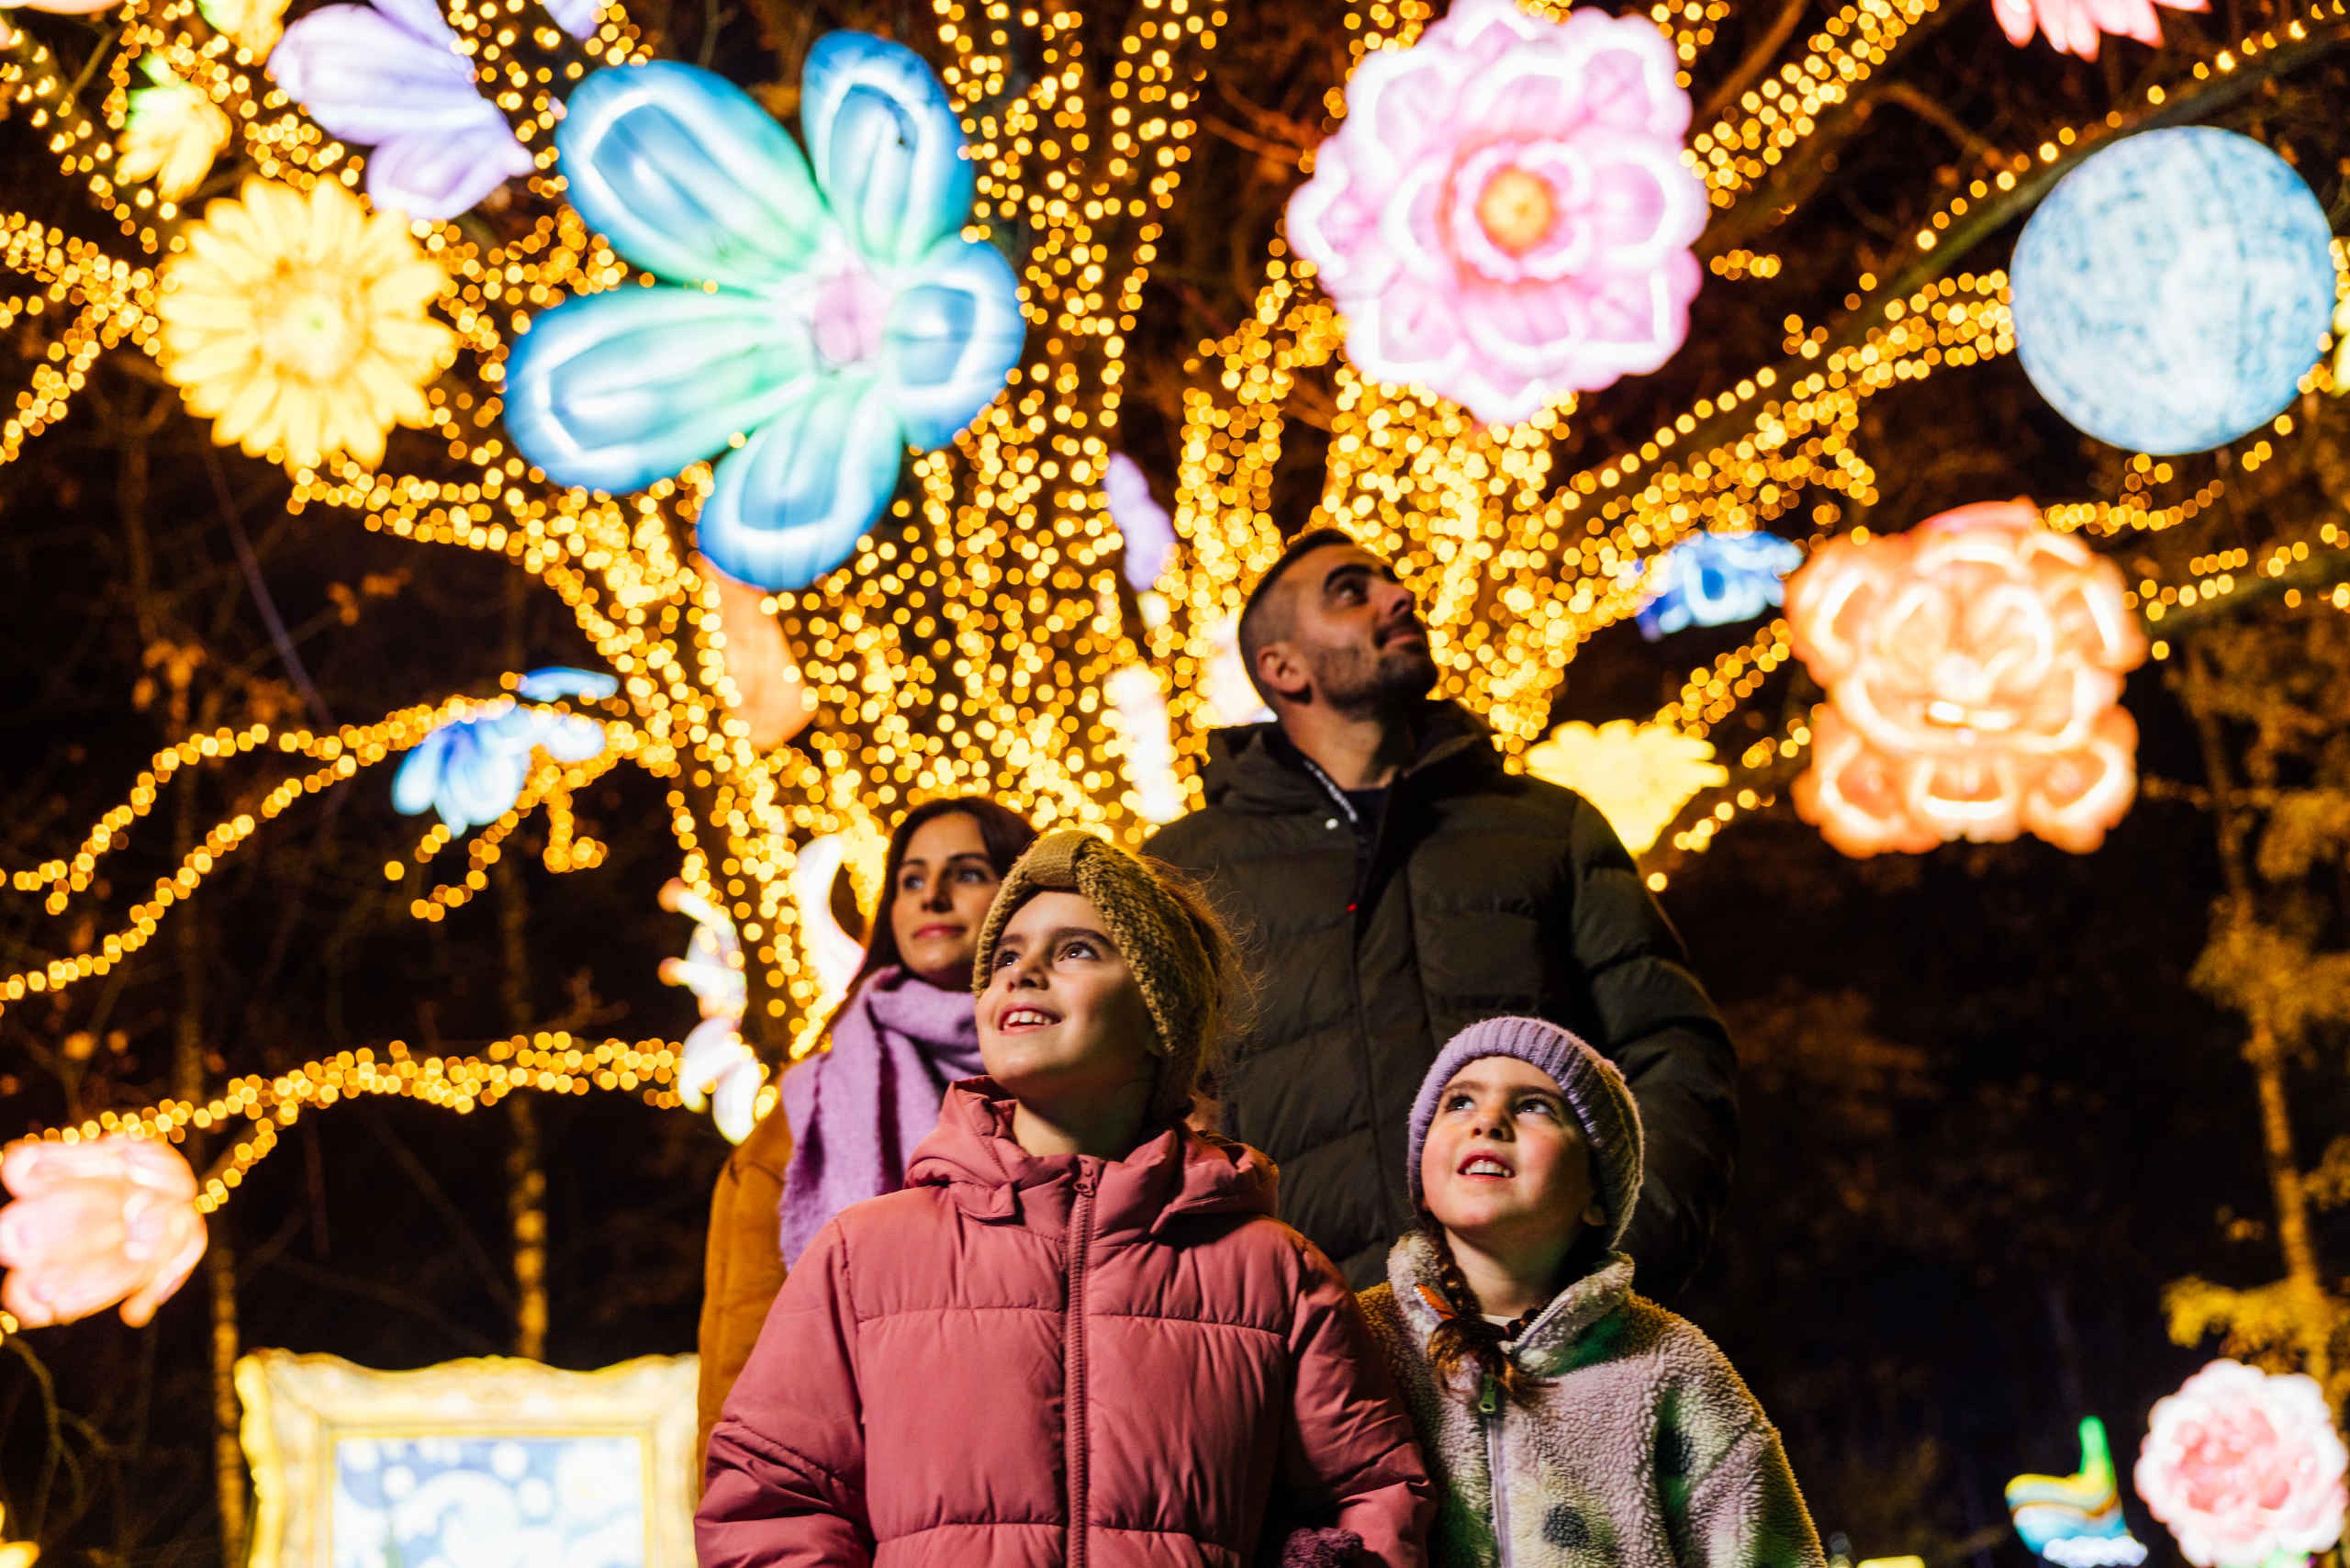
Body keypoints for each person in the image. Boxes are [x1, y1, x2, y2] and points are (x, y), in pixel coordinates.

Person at [699, 829, 1433, 1568]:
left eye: (1077, 949)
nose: (1023, 974)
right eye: (1008, 955)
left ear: (1158, 1015)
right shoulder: (864, 1254)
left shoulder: (1274, 1271)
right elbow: (770, 1502)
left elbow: (1374, 1496)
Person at [1146, 529, 1737, 1292]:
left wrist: (1618, 1264)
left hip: (1542, 1346)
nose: (1399, 598)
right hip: (1304, 1351)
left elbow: (1671, 1049)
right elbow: (1143, 1111)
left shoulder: (1548, 829)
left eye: (1392, 583)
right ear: (1282, 667)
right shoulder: (1185, 870)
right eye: (1351, 592)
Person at [1359, 1017, 1822, 1568]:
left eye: (1535, 1105)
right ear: (1422, 1177)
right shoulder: (1355, 1340)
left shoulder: (1670, 1364)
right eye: (1458, 1102)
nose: (1487, 1121)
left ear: (1597, 1195)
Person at [694, 796, 1036, 1462]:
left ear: (1024, 895)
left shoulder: (1080, 1085)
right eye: (911, 879)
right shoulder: (807, 1117)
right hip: (882, 1487)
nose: (932, 897)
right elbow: (748, 1370)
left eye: (966, 873)